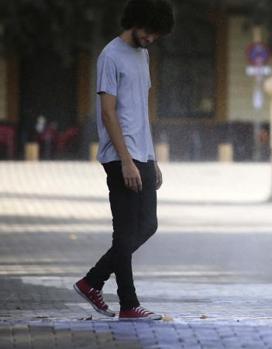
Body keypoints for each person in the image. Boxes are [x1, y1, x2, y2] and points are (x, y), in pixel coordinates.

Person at [73, 0, 174, 321]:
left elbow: (140, 112)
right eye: (150, 31)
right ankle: (128, 304)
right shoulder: (110, 55)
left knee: (147, 226)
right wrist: (127, 160)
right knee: (126, 231)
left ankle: (92, 281)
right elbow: (108, 112)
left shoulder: (142, 55)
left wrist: (152, 157)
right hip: (120, 156)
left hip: (141, 153)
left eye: (157, 35)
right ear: (136, 21)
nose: (152, 39)